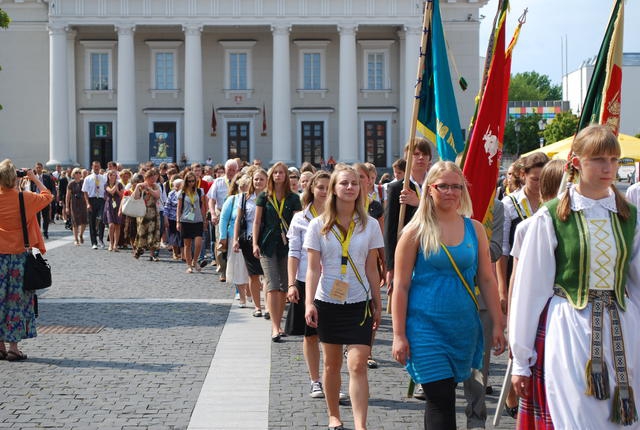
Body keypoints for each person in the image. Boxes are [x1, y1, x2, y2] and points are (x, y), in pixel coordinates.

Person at [510, 125, 640, 429]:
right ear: (577, 162)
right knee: (578, 417)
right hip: (571, 329)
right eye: (598, 159)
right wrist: (521, 359)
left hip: (623, 327)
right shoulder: (552, 216)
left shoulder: (629, 217)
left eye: (613, 159)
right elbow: (530, 291)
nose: (608, 167)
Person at [391, 161, 506, 430]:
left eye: (456, 186)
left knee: (441, 397)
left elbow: (487, 279)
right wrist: (398, 334)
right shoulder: (413, 232)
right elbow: (401, 286)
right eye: (443, 186)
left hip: (463, 328)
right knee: (440, 398)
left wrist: (499, 324)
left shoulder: (475, 229)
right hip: (425, 328)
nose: (450, 192)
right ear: (430, 189)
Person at [304, 164, 383, 430]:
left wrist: (378, 301)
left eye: (354, 183)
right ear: (334, 190)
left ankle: (361, 424)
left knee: (359, 364)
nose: (350, 188)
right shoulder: (318, 225)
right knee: (332, 365)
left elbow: (372, 267)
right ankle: (333, 415)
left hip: (359, 302)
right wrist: (309, 302)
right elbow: (313, 268)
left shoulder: (370, 225)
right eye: (344, 183)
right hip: (328, 301)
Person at [0, 160, 53, 361]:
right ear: (15, 177)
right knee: (17, 301)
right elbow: (48, 196)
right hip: (19, 257)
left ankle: (0, 346)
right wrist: (33, 178)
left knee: (0, 300)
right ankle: (14, 347)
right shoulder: (25, 198)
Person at [287, 171, 331, 397]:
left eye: (327, 187)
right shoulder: (300, 218)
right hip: (307, 280)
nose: (324, 191)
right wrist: (292, 283)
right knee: (311, 335)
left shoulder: (339, 216)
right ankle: (315, 380)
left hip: (333, 281)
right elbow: (293, 253)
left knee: (333, 337)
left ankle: (332, 381)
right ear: (312, 188)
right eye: (320, 187)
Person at [253, 161, 302, 342]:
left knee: (283, 287)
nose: (278, 176)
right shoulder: (264, 197)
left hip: (287, 246)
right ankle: (275, 327)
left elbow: (298, 224)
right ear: (271, 176)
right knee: (272, 284)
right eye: (276, 173)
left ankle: (279, 323)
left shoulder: (294, 198)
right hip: (267, 244)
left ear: (286, 176)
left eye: (282, 173)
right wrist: (255, 244)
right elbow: (257, 222)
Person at [233, 168, 268, 317]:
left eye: (261, 179)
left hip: (266, 239)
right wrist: (235, 239)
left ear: (267, 181)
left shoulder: (270, 197)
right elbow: (238, 220)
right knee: (253, 275)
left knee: (267, 275)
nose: (258, 182)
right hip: (248, 239)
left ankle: (268, 306)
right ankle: (257, 307)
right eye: (256, 179)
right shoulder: (244, 198)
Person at [220, 173, 250, 306]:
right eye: (242, 187)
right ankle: (241, 295)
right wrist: (223, 237)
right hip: (235, 237)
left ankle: (250, 292)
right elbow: (223, 219)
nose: (244, 189)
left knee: (250, 268)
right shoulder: (232, 200)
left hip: (251, 237)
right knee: (238, 267)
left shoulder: (254, 200)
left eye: (247, 187)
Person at [208, 159, 239, 281]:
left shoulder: (238, 182)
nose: (230, 172)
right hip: (221, 212)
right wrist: (213, 214)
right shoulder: (218, 182)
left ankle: (233, 268)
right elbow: (211, 199)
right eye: (229, 169)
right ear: (225, 169)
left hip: (235, 213)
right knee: (221, 240)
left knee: (233, 240)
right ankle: (222, 270)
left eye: (233, 170)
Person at [177, 172, 208, 273]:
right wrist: (178, 221)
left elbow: (203, 206)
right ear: (186, 182)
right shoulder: (182, 192)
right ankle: (189, 265)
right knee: (187, 244)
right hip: (186, 220)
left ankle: (195, 261)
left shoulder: (200, 191)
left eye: (193, 181)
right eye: (189, 181)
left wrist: (204, 220)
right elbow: (179, 208)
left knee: (199, 243)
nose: (191, 183)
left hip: (198, 220)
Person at [132, 168, 162, 261]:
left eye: (154, 178)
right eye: (152, 178)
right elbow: (135, 197)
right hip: (142, 213)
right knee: (141, 233)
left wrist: (149, 189)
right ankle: (139, 249)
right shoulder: (141, 186)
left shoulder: (156, 186)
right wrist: (137, 187)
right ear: (147, 178)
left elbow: (157, 196)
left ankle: (153, 254)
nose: (153, 180)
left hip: (153, 212)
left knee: (153, 233)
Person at [82, 161, 107, 249]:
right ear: (92, 167)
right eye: (95, 166)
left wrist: (105, 197)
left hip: (101, 200)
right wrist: (88, 203)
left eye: (98, 166)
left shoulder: (104, 178)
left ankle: (101, 239)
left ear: (100, 167)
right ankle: (94, 242)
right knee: (92, 222)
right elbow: (85, 192)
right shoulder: (88, 178)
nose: (96, 168)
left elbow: (106, 188)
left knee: (101, 219)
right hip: (91, 200)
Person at [30, 162, 57, 239]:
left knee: (46, 217)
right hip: (36, 199)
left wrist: (53, 195)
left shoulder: (47, 177)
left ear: (42, 168)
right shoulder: (33, 178)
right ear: (35, 168)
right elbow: (31, 188)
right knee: (37, 217)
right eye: (37, 167)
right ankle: (38, 232)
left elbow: (53, 188)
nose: (38, 169)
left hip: (45, 199)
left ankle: (45, 232)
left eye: (39, 167)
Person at [65, 168, 88, 245]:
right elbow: (67, 196)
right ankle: (76, 239)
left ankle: (81, 234)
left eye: (79, 172)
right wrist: (67, 207)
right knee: (75, 222)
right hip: (74, 204)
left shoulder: (83, 182)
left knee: (84, 221)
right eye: (76, 173)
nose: (78, 174)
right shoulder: (71, 183)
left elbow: (87, 192)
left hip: (83, 203)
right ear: (73, 174)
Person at [103, 170, 124, 252]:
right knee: (111, 225)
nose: (112, 176)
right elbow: (111, 192)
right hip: (109, 205)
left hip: (118, 205)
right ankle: (111, 243)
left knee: (117, 225)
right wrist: (116, 185)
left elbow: (122, 195)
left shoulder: (120, 184)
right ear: (108, 176)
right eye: (111, 175)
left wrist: (118, 190)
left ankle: (116, 244)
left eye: (114, 175)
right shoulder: (106, 184)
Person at [164, 176, 183, 260]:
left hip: (183, 219)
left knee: (182, 237)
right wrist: (166, 217)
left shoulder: (184, 193)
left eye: (176, 186)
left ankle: (183, 254)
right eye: (174, 186)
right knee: (174, 237)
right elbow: (167, 206)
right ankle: (175, 253)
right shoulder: (171, 193)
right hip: (172, 218)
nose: (174, 187)